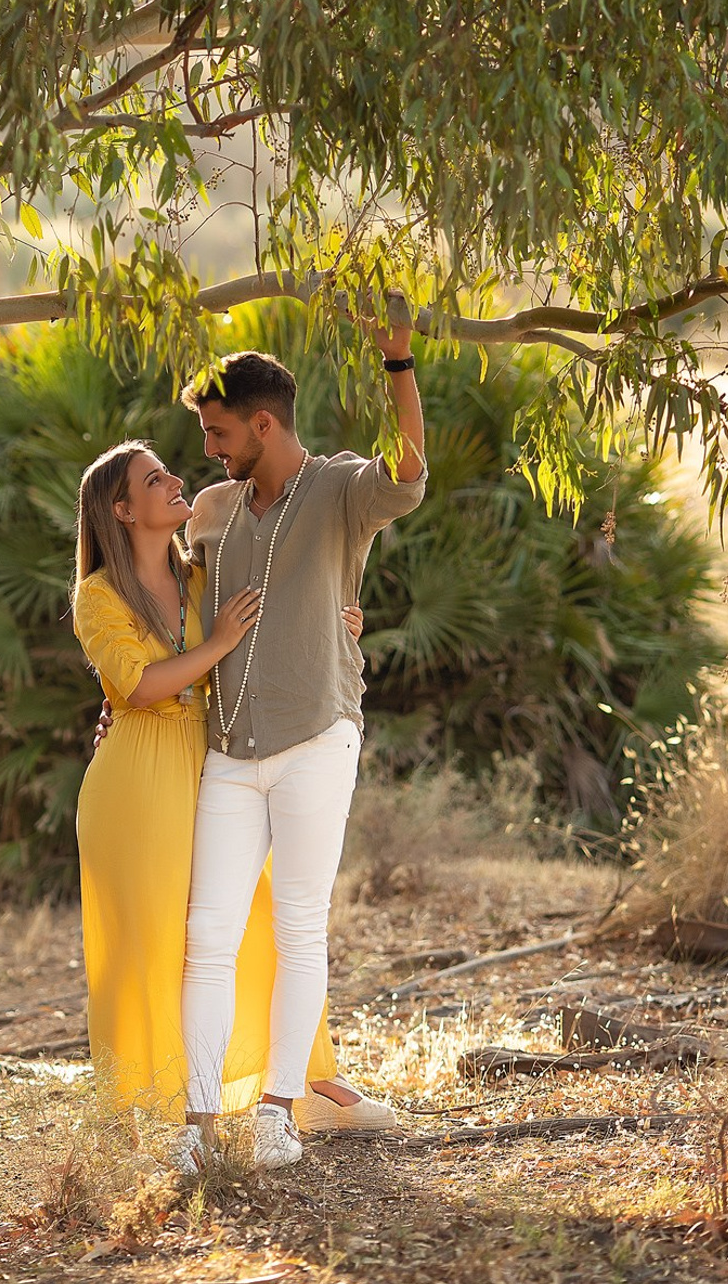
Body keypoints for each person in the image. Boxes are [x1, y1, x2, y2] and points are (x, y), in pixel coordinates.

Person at [176, 329, 426, 1172]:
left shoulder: (338, 487)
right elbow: (162, 592)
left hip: (319, 735)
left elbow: (408, 473)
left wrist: (397, 367)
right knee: (207, 935)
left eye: (218, 434)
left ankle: (277, 1114)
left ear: (264, 425)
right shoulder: (215, 510)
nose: (208, 449)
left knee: (298, 928)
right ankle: (199, 1125)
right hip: (230, 752)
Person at [72, 441, 376, 1122]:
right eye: (155, 480)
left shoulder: (200, 577)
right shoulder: (97, 596)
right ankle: (146, 1105)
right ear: (122, 511)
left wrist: (338, 619)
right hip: (134, 785)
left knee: (256, 920)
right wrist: (215, 647)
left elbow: (281, 613)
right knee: (150, 940)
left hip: (206, 760)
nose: (178, 479)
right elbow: (140, 684)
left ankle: (297, 1079)